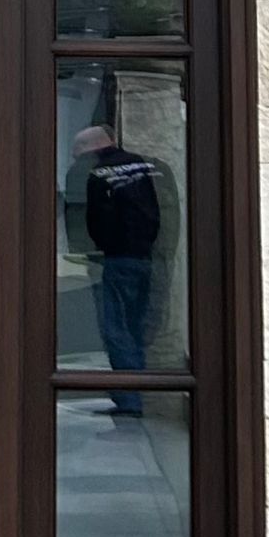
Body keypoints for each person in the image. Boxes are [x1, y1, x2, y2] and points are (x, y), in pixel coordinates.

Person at [73, 123, 162, 418]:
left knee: (116, 329)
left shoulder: (98, 175)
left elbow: (97, 221)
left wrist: (98, 249)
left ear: (91, 149)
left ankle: (128, 399)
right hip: (147, 257)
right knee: (136, 327)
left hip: (117, 259)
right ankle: (141, 392)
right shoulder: (146, 165)